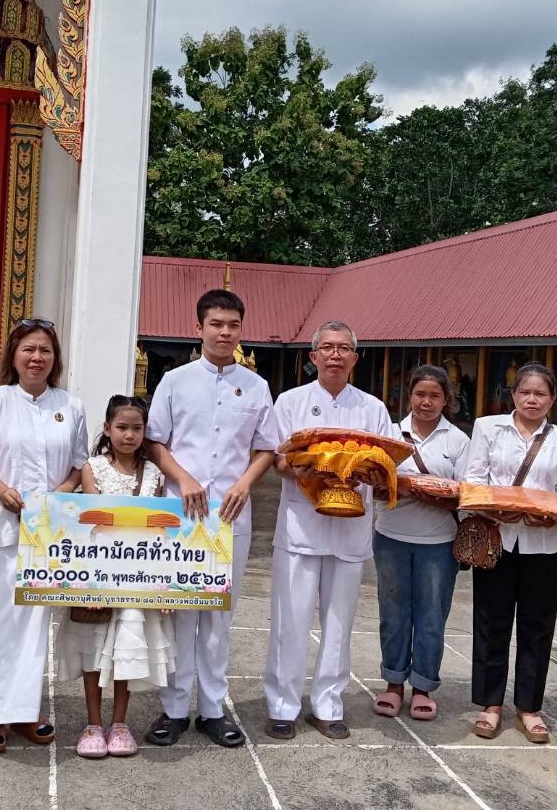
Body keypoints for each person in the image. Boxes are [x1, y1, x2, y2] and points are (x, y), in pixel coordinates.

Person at [143, 288, 279, 749]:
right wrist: (182, 477)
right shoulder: (175, 381)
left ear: (242, 329)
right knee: (180, 610)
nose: (224, 332)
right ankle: (175, 707)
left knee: (220, 613)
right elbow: (155, 441)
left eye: (233, 325)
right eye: (216, 324)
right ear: (198, 327)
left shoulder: (257, 387)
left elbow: (266, 447)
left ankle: (213, 709)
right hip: (182, 513)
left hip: (230, 512)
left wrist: (245, 482)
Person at [264, 321, 395, 741]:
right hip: (302, 524)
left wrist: (372, 473)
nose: (335, 355)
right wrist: (298, 467)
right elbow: (276, 459)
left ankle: (328, 703)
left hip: (351, 525)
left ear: (356, 357)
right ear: (313, 356)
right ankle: (283, 705)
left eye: (344, 348)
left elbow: (389, 465)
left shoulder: (372, 409)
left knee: (339, 622)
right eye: (327, 348)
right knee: (291, 619)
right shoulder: (290, 401)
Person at [0, 318, 86, 753]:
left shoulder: (70, 406)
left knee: (35, 625)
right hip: (1, 525)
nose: (37, 358)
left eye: (45, 351)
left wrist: (58, 496)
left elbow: (79, 464)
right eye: (29, 350)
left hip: (48, 530)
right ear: (13, 356)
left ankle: (24, 710)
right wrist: (3, 492)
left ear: (55, 359)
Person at [464, 361, 557, 744]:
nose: (532, 399)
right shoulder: (487, 428)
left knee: (537, 624)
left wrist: (550, 515)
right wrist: (493, 509)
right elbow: (474, 479)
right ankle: (490, 704)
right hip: (497, 537)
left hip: (544, 542)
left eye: (541, 393)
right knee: (490, 620)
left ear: (552, 398)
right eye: (526, 392)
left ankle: (529, 707)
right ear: (512, 394)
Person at [58, 395, 176, 759]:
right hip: (98, 572)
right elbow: (96, 518)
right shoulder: (92, 468)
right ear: (107, 429)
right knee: (93, 651)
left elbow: (160, 533)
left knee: (126, 649)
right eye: (121, 428)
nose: (128, 435)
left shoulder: (155, 474)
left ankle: (120, 722)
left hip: (138, 576)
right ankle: (93, 722)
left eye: (136, 428)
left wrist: (166, 585)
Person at [373, 365, 470, 723]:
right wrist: (417, 489)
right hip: (391, 535)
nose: (426, 402)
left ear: (447, 400)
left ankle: (424, 686)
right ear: (409, 395)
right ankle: (394, 683)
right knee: (394, 612)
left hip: (438, 541)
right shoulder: (389, 434)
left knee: (431, 614)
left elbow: (464, 495)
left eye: (434, 396)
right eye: (420, 394)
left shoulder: (458, 441)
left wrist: (412, 488)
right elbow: (377, 486)